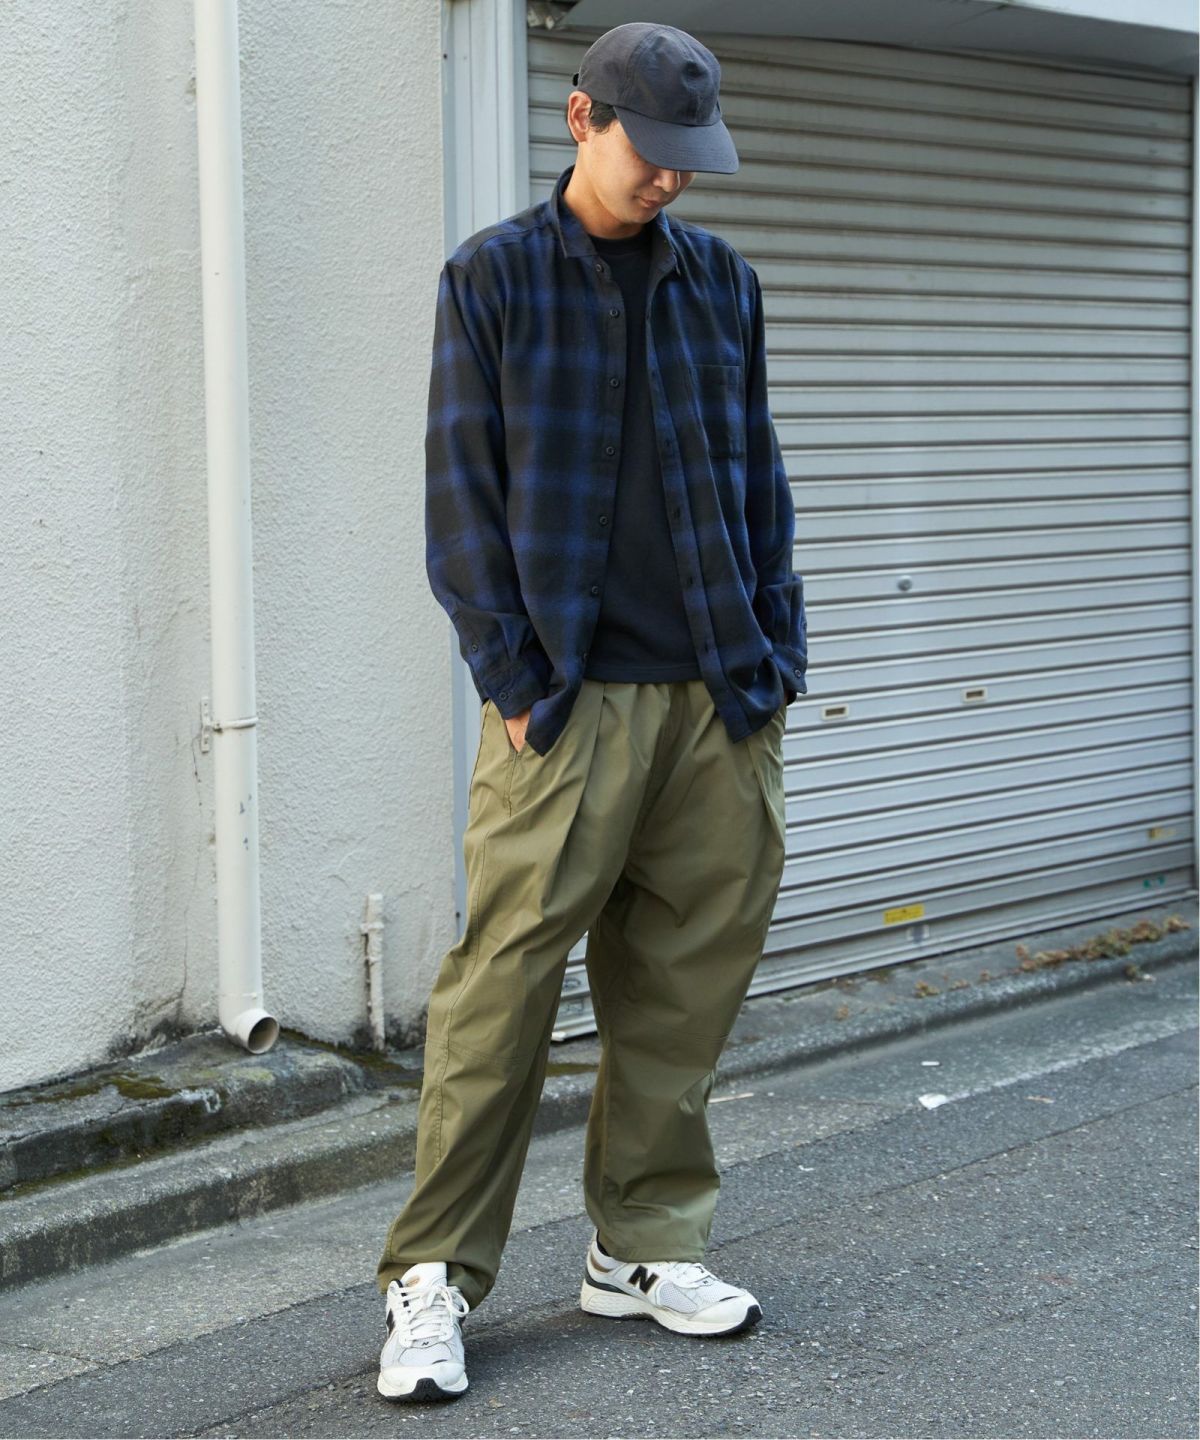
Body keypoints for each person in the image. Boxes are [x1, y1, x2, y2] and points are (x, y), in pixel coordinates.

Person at [375, 21, 808, 1403]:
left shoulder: (722, 284)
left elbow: (759, 481)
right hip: (565, 709)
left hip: (715, 702)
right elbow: (461, 499)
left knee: (683, 992)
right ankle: (433, 1275)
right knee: (500, 991)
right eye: (649, 152)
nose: (668, 178)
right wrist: (513, 681)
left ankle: (643, 1244)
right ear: (581, 119)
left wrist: (774, 663)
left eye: (690, 158)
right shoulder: (493, 278)